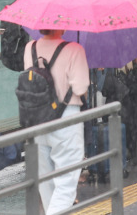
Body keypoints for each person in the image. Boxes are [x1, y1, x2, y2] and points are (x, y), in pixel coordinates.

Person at [23, 29, 89, 215]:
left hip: (37, 119)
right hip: (66, 118)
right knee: (66, 184)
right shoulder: (74, 49)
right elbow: (81, 88)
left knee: (46, 182)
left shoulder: (30, 48)